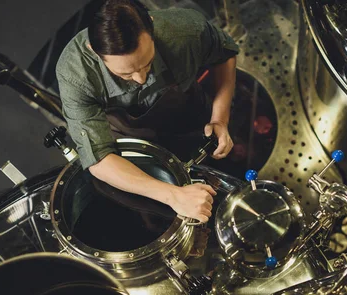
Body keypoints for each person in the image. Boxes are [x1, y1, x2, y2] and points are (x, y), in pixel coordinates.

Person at [56, 0, 239, 223]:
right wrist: (173, 195)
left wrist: (220, 118)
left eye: (148, 63)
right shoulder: (75, 74)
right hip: (131, 143)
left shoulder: (185, 31)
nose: (141, 79)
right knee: (153, 218)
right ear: (94, 52)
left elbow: (224, 53)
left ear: (152, 27)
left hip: (190, 116)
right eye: (126, 75)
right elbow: (99, 159)